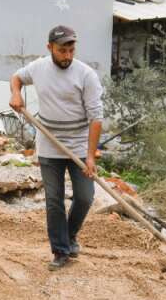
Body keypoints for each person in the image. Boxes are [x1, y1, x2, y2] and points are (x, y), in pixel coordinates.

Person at [9, 25, 104, 270]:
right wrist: (16, 95)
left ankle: (70, 236)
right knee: (54, 200)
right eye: (62, 50)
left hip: (78, 146)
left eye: (71, 50)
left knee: (85, 197)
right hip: (50, 145)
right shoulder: (39, 68)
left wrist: (91, 156)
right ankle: (60, 250)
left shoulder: (86, 75)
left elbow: (96, 118)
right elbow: (17, 78)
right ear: (49, 48)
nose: (67, 56)